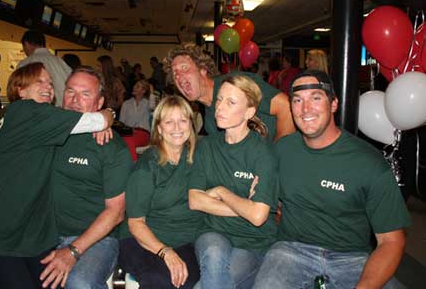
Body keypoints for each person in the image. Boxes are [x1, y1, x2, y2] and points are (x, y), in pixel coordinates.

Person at [0, 62, 114, 289]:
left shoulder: (24, 120)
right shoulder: (28, 111)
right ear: (20, 90)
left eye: (50, 83)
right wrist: (108, 113)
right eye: (39, 81)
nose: (48, 86)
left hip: (21, 236)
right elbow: (98, 120)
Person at [253, 70, 411, 289]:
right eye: (297, 101)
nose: (305, 109)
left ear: (334, 104)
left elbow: (392, 241)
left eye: (315, 98)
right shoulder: (281, 151)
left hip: (352, 258)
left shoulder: (369, 163)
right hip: (290, 252)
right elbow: (264, 200)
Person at [39, 67, 133, 289]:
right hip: (43, 234)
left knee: (79, 282)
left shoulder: (110, 146)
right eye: (70, 91)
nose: (74, 100)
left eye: (85, 94)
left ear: (99, 103)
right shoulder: (46, 132)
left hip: (96, 240)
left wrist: (72, 251)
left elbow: (116, 211)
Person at [188, 75, 278, 289]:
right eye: (219, 100)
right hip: (212, 233)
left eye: (231, 102)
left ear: (249, 112)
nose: (220, 107)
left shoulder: (263, 153)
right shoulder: (207, 146)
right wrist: (246, 206)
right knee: (213, 253)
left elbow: (257, 218)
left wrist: (220, 191)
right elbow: (195, 200)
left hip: (253, 242)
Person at [118, 95, 202, 289]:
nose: (177, 128)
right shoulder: (147, 166)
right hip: (143, 239)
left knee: (188, 278)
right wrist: (166, 252)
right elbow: (136, 223)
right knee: (159, 279)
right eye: (169, 122)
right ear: (159, 128)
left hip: (186, 241)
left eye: (183, 120)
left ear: (191, 125)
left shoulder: (198, 156)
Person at [166, 43, 295, 141]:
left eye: (184, 67)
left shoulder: (237, 83)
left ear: (203, 69)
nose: (178, 75)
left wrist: (278, 156)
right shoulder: (211, 119)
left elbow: (286, 107)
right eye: (174, 72)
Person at [17, 30, 72, 107]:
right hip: (63, 112)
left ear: (26, 43)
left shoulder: (25, 64)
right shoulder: (61, 62)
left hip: (38, 114)